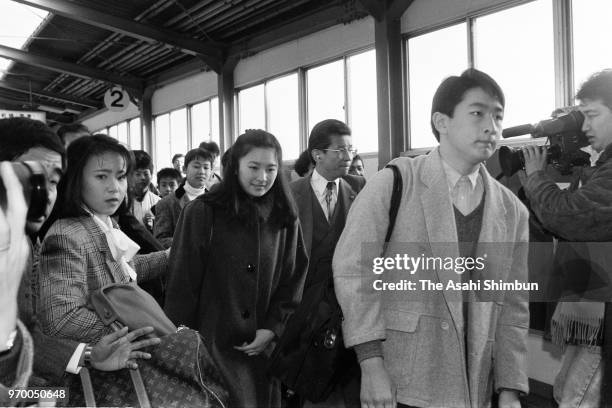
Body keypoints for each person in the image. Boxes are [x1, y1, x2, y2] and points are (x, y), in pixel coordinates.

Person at [333, 69, 529, 408]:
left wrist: (510, 387)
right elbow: (354, 270)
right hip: (403, 379)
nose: (491, 127)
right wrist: (370, 361)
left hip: (474, 384)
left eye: (498, 116)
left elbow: (514, 306)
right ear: (442, 121)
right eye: (477, 113)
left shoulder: (511, 210)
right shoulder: (395, 182)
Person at [0, 119, 160, 391]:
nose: (45, 193)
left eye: (52, 181)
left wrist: (87, 355)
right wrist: (136, 328)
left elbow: (21, 335)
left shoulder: (22, 242)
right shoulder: (66, 234)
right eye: (31, 176)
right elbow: (59, 318)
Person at [164, 129, 308, 407]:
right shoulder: (202, 212)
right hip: (209, 348)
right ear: (235, 167)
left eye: (271, 169)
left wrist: (273, 328)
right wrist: (183, 348)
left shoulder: (284, 217)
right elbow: (182, 285)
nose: (262, 177)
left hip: (262, 352)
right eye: (253, 167)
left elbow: (293, 279)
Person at [520, 69, 612, 407]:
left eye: (592, 115)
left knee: (577, 398)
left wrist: (535, 178)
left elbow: (568, 218)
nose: (585, 127)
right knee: (565, 391)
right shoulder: (601, 168)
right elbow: (556, 222)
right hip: (596, 310)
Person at [37, 134, 169, 344]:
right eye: (101, 176)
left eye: (121, 176)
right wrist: (134, 333)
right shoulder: (66, 235)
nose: (114, 187)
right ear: (75, 179)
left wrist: (170, 256)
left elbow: (127, 271)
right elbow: (61, 320)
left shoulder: (106, 223)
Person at [284, 119, 365, 407]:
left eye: (351, 149)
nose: (349, 157)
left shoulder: (361, 188)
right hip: (304, 306)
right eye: (340, 150)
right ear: (317, 155)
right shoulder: (291, 194)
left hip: (348, 304)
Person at [154, 148, 214, 248]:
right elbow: (160, 240)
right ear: (184, 169)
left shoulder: (215, 201)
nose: (202, 171)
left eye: (206, 167)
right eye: (196, 166)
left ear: (211, 172)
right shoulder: (167, 203)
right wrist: (191, 243)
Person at [130, 150, 161, 231]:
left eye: (146, 174)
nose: (142, 178)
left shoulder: (158, 202)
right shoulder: (122, 202)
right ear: (129, 175)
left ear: (151, 175)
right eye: (138, 174)